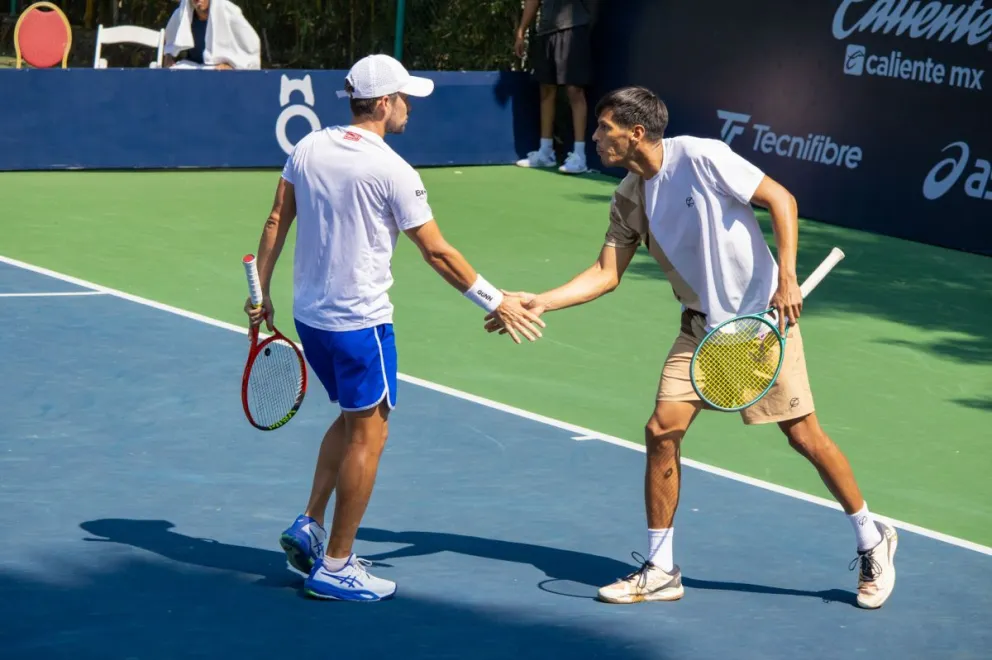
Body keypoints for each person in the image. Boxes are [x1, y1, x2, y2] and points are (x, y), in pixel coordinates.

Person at [487, 86, 898, 609]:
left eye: (603, 128)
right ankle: (660, 568)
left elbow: (781, 198)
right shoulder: (629, 198)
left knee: (805, 438)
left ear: (635, 133)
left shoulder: (703, 157)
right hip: (701, 330)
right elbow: (605, 273)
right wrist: (542, 301)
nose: (594, 137)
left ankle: (871, 535)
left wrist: (787, 278)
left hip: (760, 327)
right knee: (662, 429)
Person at [244, 53, 545, 602]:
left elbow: (274, 220)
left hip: (311, 319)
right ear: (383, 103)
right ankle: (336, 565)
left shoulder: (307, 146)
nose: (409, 108)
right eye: (404, 98)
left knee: (352, 418)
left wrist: (258, 295)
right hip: (359, 324)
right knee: (371, 433)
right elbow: (437, 252)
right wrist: (496, 300)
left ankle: (310, 523)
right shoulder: (393, 170)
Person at [513, 0, 598, 174]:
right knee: (546, 89)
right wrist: (521, 31)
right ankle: (545, 152)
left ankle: (580, 156)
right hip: (546, 32)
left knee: (574, 90)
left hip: (574, 28)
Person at [164, 0, 261, 70]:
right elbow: (169, 45)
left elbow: (251, 45)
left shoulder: (228, 11)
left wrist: (232, 65)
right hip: (192, 68)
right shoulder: (182, 14)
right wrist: (168, 59)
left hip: (219, 70)